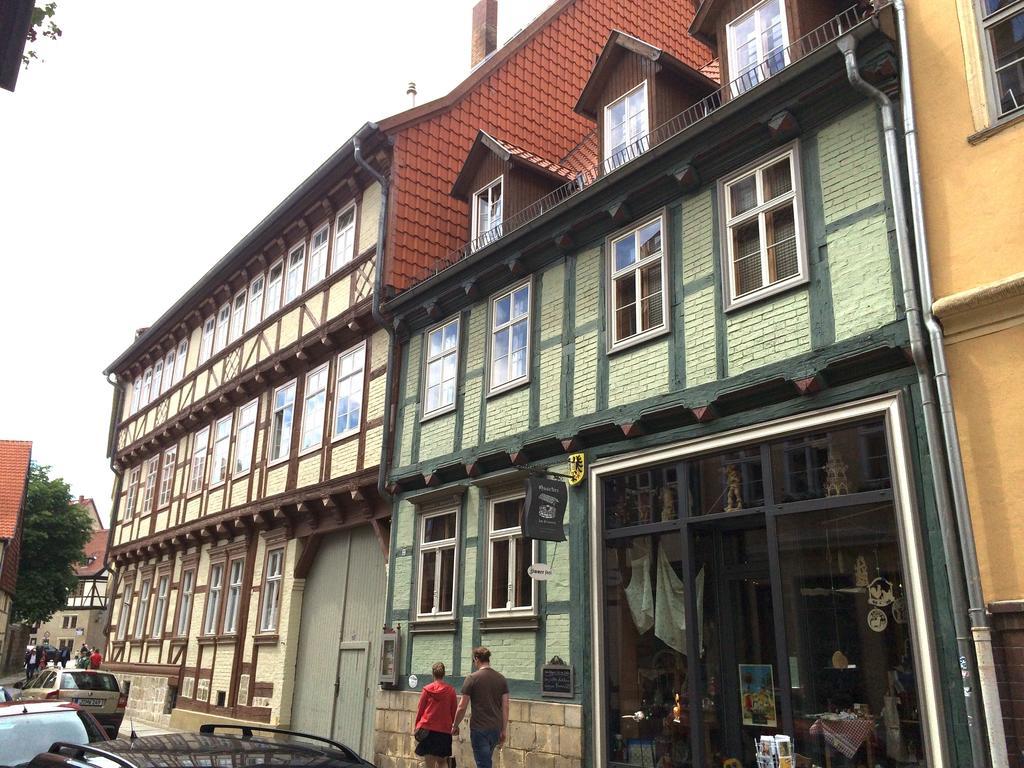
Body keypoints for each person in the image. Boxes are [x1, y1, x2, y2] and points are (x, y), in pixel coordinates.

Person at [451, 647, 509, 768]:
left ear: (477, 659)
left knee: (483, 764)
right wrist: (503, 729)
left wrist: (455, 725)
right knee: (486, 761)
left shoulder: (472, 678)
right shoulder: (501, 679)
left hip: (479, 729)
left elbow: (462, 706)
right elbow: (505, 706)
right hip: (495, 729)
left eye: (473, 661)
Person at [413, 662, 457, 768]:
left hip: (428, 730)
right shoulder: (451, 691)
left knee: (429, 763)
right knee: (442, 762)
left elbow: (420, 710)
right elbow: (454, 711)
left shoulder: (426, 690)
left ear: (433, 674)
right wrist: (455, 726)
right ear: (444, 674)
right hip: (444, 731)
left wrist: (416, 726)